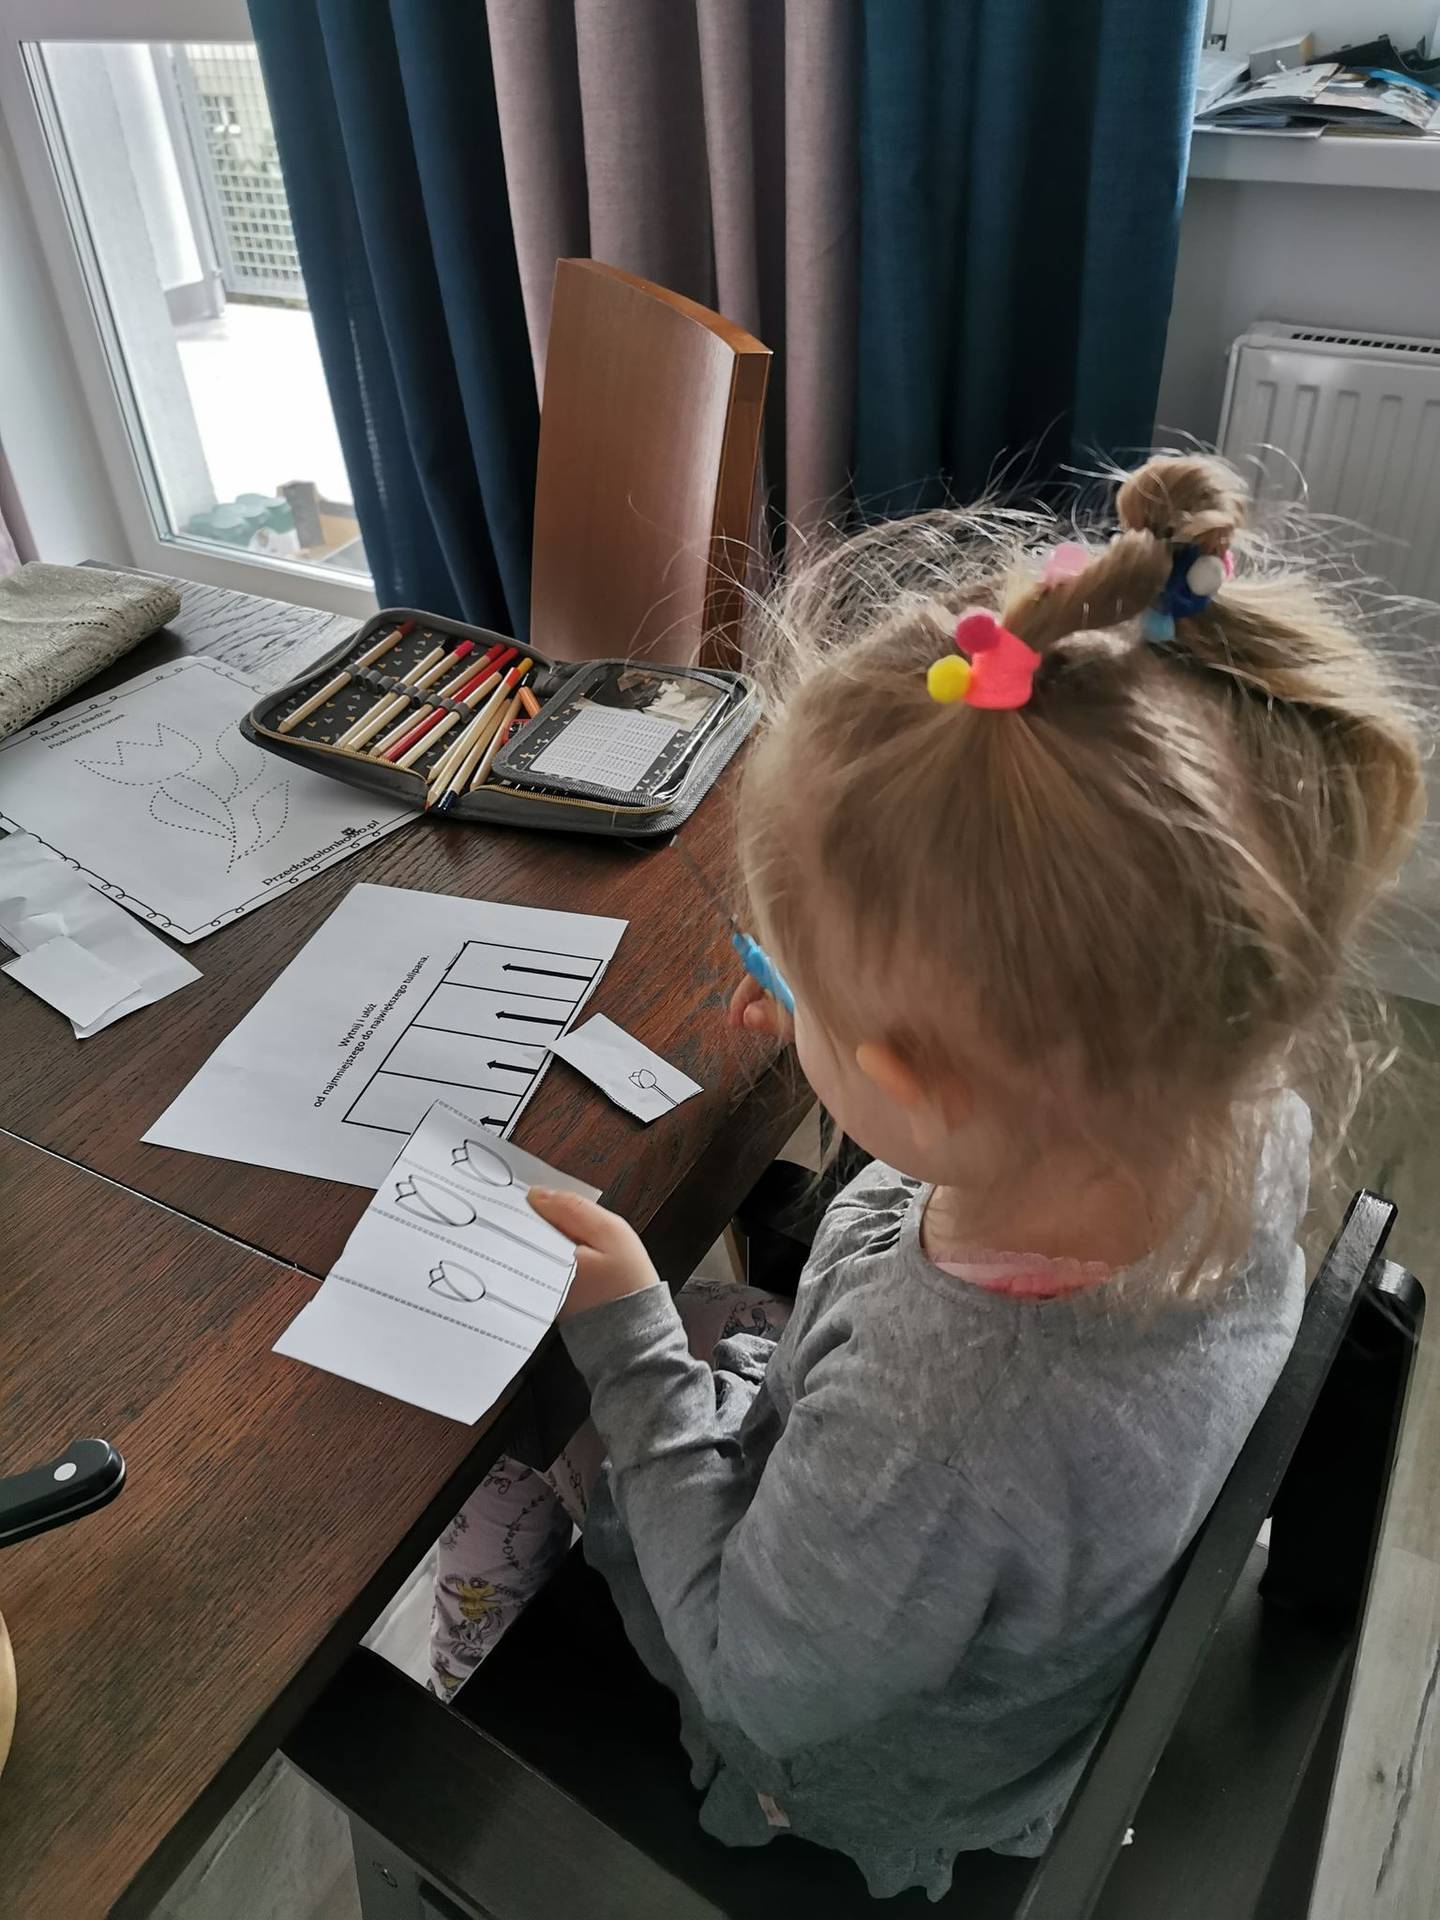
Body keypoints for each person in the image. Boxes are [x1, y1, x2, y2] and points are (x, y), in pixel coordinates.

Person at [431, 454, 1422, 1900]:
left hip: (814, 1767)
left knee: (492, 1477)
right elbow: (955, 1192)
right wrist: (849, 1034)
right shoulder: (1224, 1107)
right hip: (969, 1615)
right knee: (699, 1340)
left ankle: (471, 1704)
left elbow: (752, 1674)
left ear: (917, 1083)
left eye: (813, 1005)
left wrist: (635, 1349)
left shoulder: (946, 1425)